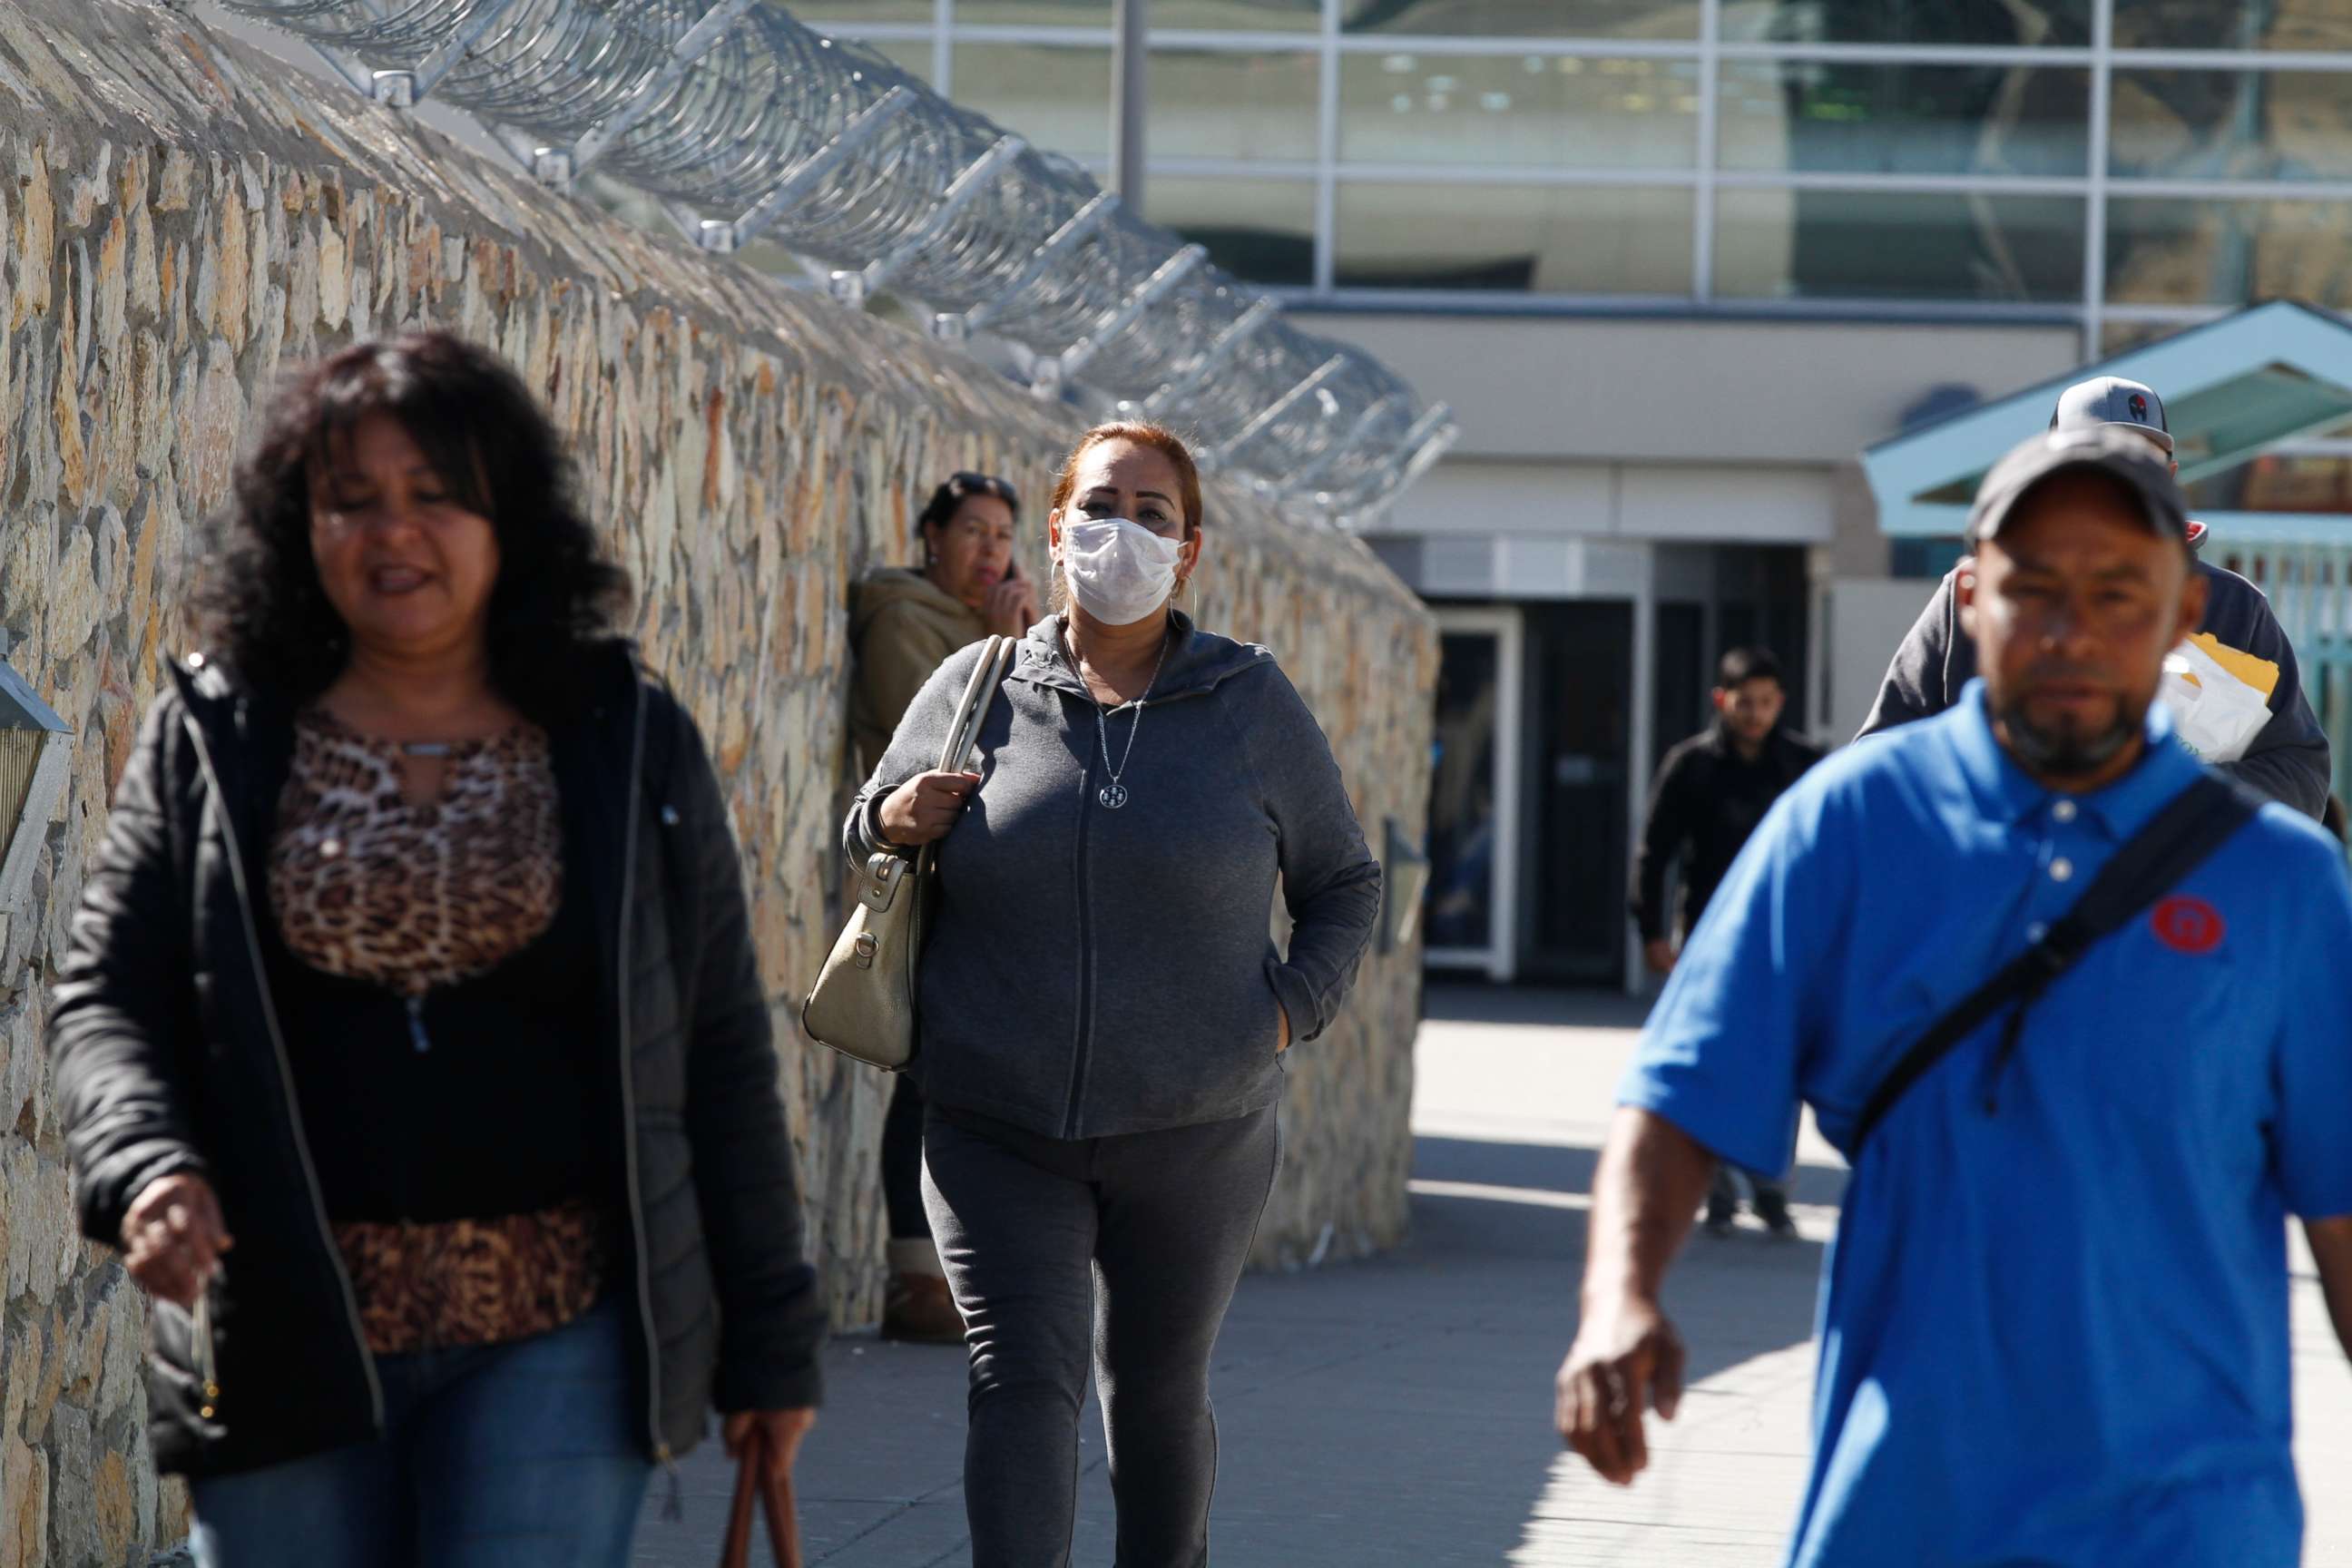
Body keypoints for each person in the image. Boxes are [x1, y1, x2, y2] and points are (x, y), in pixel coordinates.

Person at [50, 332, 826, 1568]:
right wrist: (146, 1165)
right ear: (298, 529)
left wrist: (770, 1343)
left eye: (435, 496)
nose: (391, 533)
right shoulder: (219, 733)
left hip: (562, 1336)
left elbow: (721, 1045)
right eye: (349, 501)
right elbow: (109, 995)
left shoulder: (623, 735)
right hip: (284, 1339)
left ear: (508, 516)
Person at [1556, 425, 2352, 1566]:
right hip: (1905, 1511)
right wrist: (1619, 1299)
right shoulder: (1853, 826)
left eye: (2120, 593)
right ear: (1969, 600)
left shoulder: (2280, 881)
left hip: (2190, 1523)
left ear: (2185, 617)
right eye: (2034, 591)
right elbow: (1683, 1094)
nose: (2073, 633)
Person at [847, 421, 1382, 1567]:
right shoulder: (979, 682)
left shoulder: (1248, 700)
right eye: (1099, 506)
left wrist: (1287, 1010)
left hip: (1198, 1130)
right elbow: (871, 818)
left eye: (1152, 515)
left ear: (1188, 551)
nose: (1120, 533)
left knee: (1153, 1399)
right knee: (1023, 1388)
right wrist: (892, 818)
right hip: (996, 1121)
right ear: (1056, 528)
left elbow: (1344, 881)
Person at [1858, 375, 2331, 818]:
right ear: (1971, 603)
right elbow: (1880, 764)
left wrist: (2168, 797)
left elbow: (2302, 775)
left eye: (2142, 467)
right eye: (2093, 465)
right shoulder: (1984, 588)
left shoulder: (2231, 604)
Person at [848, 470, 1037, 1344]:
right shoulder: (904, 618)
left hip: (994, 892)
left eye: (1002, 534)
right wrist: (1002, 656)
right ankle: (913, 1277)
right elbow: (915, 745)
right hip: (924, 885)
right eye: (972, 530)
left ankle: (968, 1269)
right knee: (925, 1079)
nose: (990, 549)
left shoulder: (1005, 637)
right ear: (930, 536)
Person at [1628, 646, 1821, 1240]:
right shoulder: (1691, 767)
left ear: (1780, 703)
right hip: (1707, 938)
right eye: (1745, 703)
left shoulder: (1804, 765)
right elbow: (1653, 854)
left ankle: (1770, 1187)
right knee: (1709, 1061)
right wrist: (1652, 932)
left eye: (1766, 703)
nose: (1755, 714)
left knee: (1779, 1064)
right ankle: (1714, 1189)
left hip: (1786, 938)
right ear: (1722, 701)